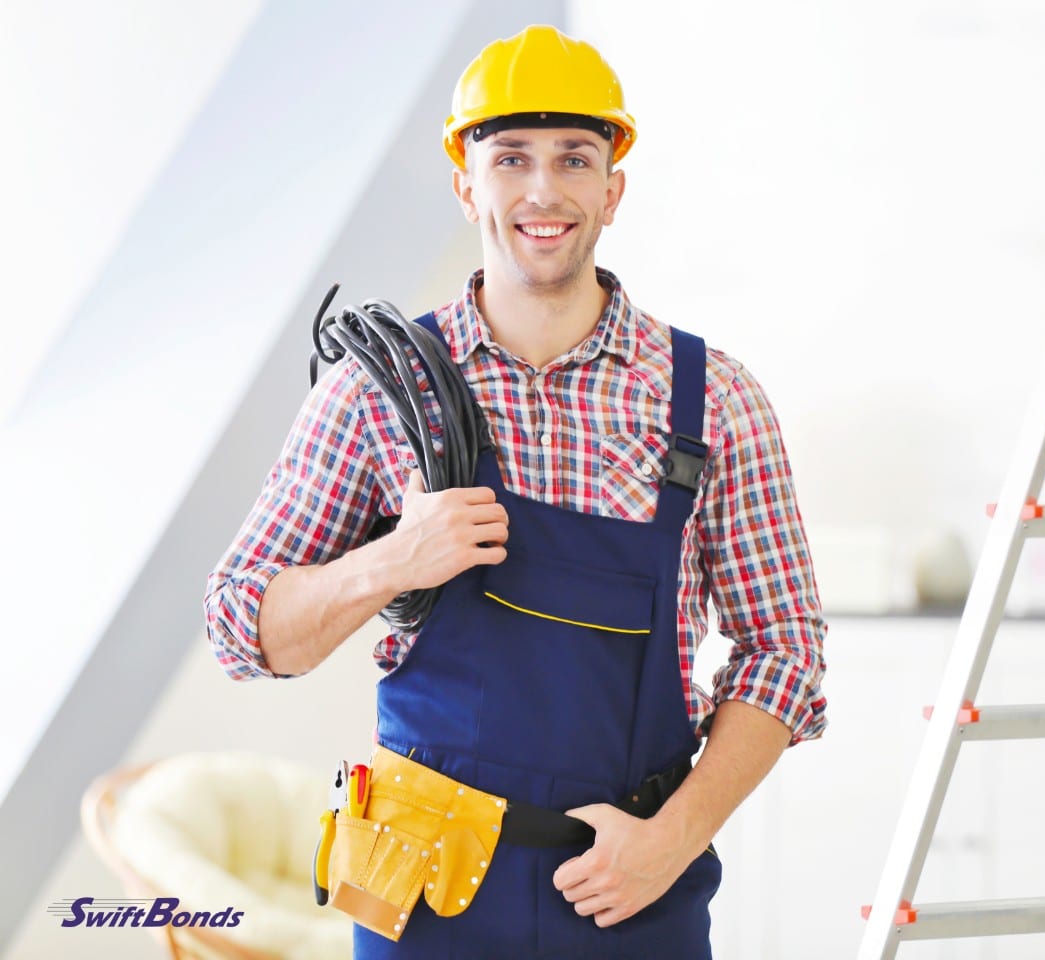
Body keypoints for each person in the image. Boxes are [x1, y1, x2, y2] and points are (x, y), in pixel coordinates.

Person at [203, 23, 827, 959]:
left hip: (625, 888)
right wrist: (391, 560)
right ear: (467, 185)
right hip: (411, 883)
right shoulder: (382, 391)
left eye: (575, 159)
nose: (543, 191)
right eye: (510, 159)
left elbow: (786, 650)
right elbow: (240, 631)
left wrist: (673, 840)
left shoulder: (715, 400)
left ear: (612, 189)